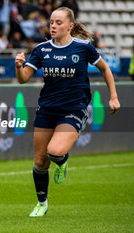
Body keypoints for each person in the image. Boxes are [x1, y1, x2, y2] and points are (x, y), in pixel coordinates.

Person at [14, 7, 120, 217]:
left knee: (55, 152)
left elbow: (105, 69)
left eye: (58, 22)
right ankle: (42, 203)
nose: (53, 26)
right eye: (51, 22)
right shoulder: (42, 49)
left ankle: (62, 162)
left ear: (70, 26)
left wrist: (114, 96)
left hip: (74, 109)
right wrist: (19, 66)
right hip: (47, 108)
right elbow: (23, 78)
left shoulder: (83, 47)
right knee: (40, 160)